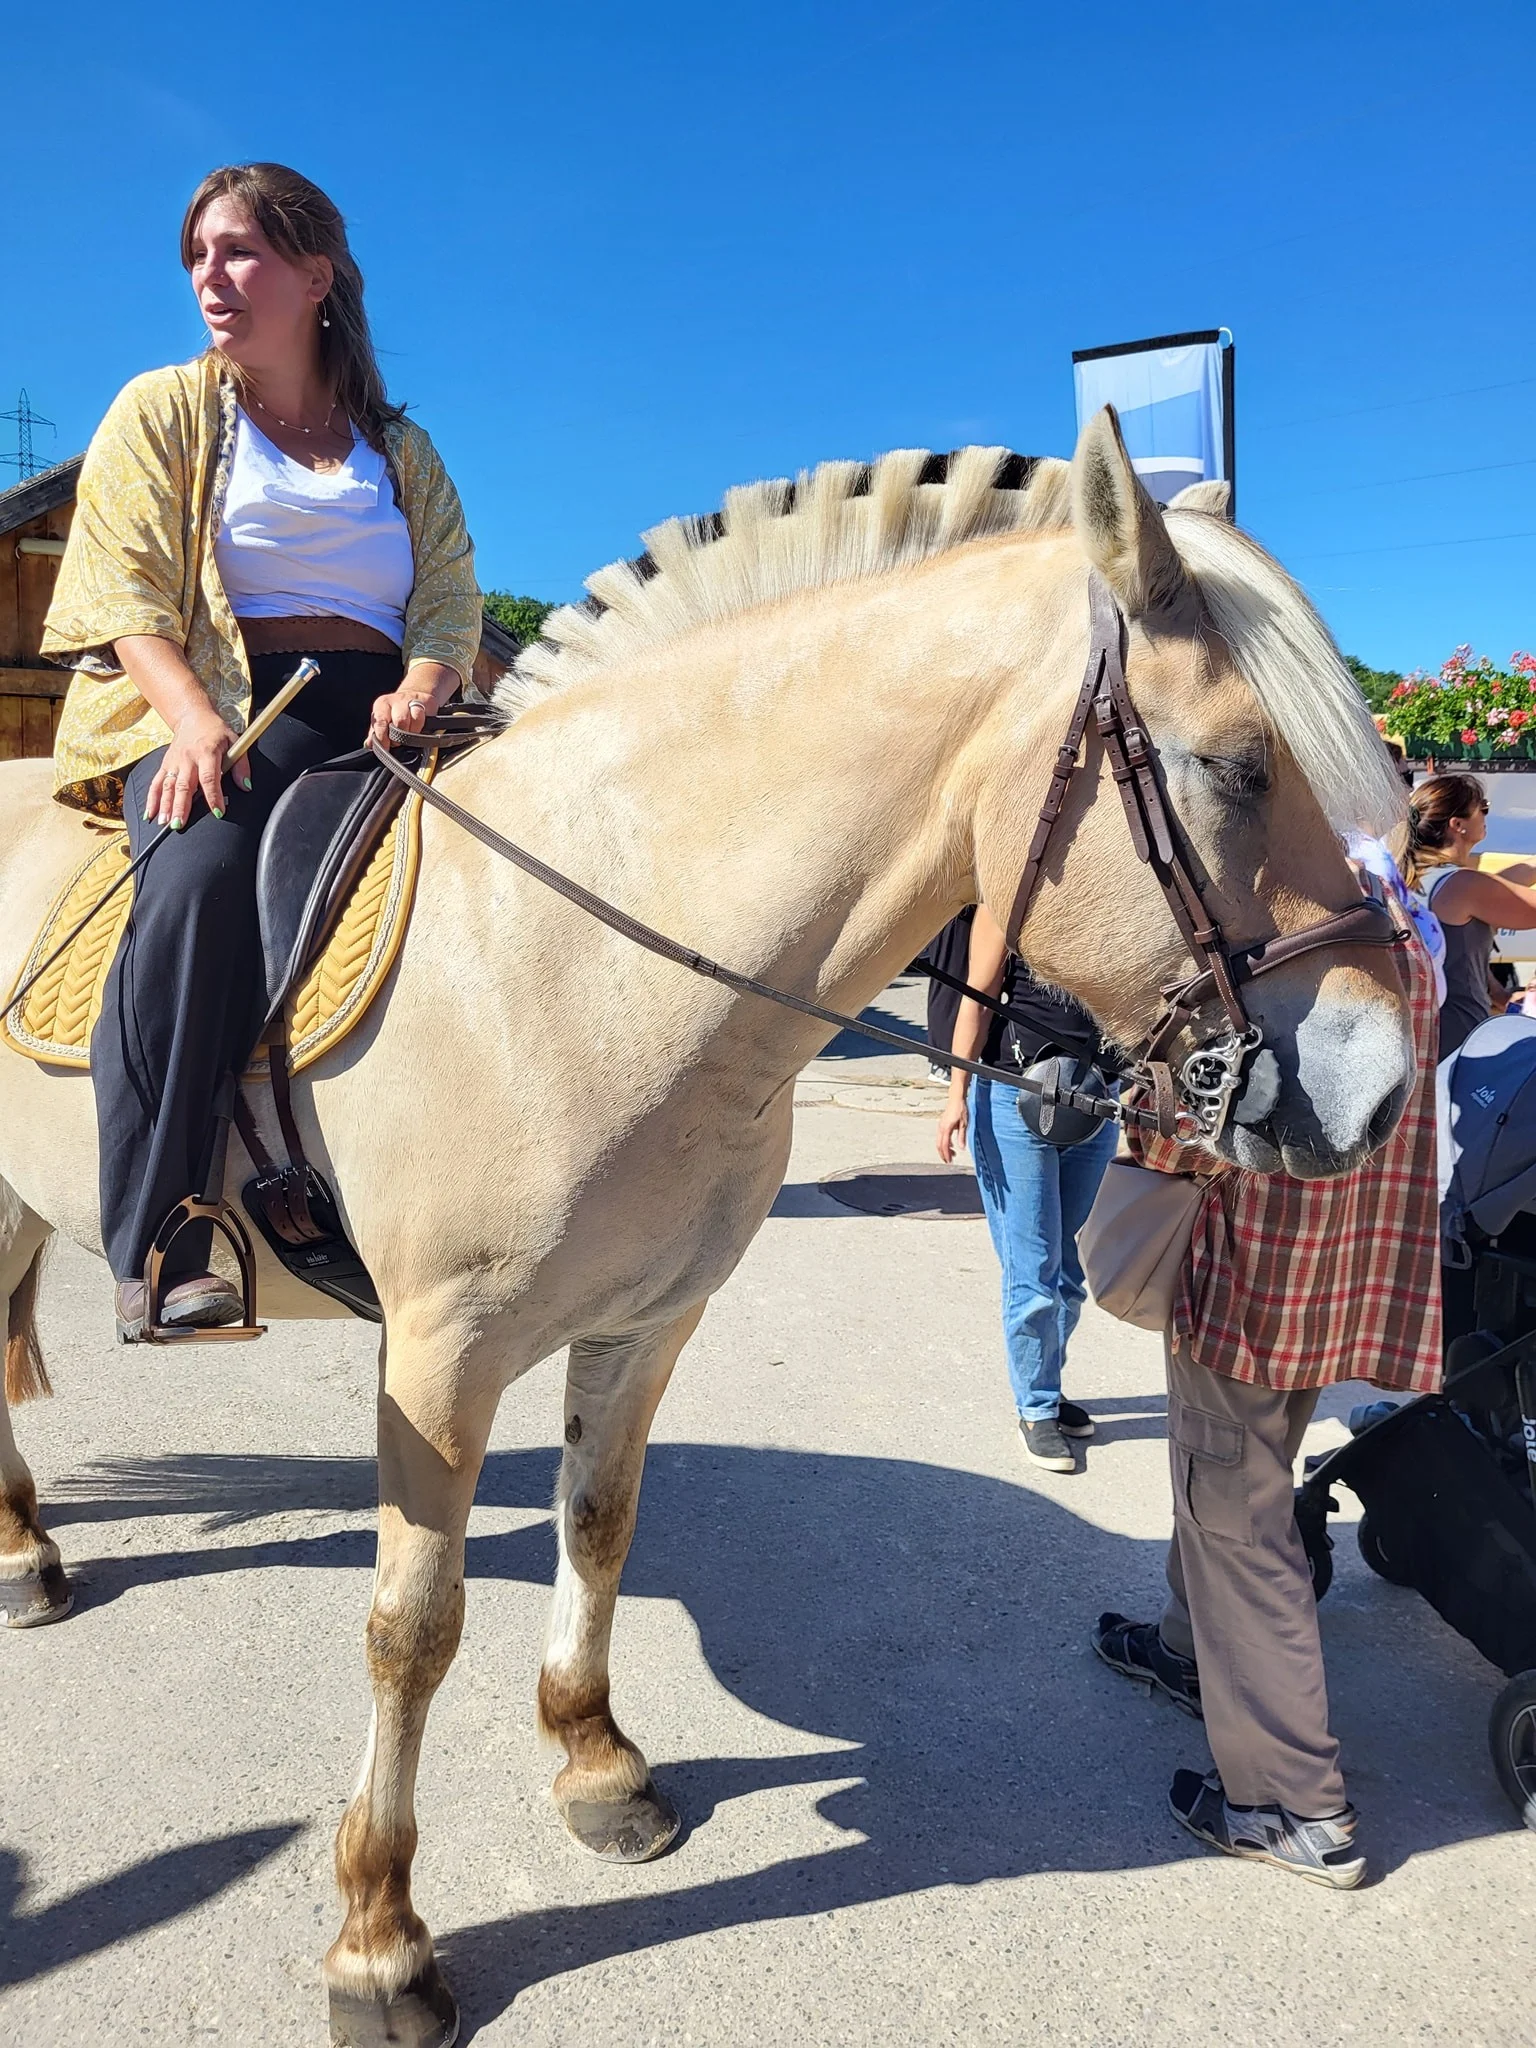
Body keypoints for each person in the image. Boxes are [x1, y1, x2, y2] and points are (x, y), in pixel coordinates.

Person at [40, 163, 482, 1341]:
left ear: (316, 274)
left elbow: (447, 598)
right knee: (198, 871)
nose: (210, 277)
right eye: (198, 256)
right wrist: (193, 722)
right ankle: (168, 1237)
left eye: (238, 251)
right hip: (227, 702)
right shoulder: (165, 411)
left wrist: (427, 680)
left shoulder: (399, 448)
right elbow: (130, 589)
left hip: (389, 716)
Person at [1092, 874, 1442, 1890]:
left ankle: (1297, 1806)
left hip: (1251, 1285)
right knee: (1237, 1491)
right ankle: (1182, 1643)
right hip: (1340, 1275)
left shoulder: (1276, 956)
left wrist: (1135, 1109)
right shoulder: (1396, 932)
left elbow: (1188, 1120)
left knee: (1240, 1524)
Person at [933, 905, 1118, 1473]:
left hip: (1094, 1100)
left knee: (1067, 1271)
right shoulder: (1007, 906)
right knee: (1032, 1266)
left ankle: (1048, 1385)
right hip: (1015, 1100)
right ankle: (1035, 1408)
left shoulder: (1115, 906)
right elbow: (976, 998)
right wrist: (955, 1095)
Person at [1404, 773, 1536, 1059]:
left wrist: (1497, 993)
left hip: (1433, 1034)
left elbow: (1456, 954)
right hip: (1458, 1039)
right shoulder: (1462, 885)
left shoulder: (1425, 877)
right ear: (1457, 825)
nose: (1487, 814)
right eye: (1483, 807)